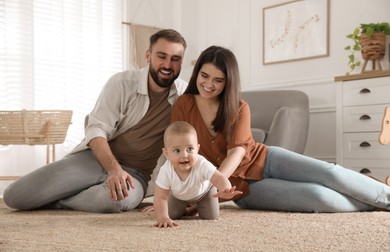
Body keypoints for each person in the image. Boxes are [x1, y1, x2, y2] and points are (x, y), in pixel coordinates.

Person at [170, 45, 390, 213]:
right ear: (196, 73)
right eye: (204, 76)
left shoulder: (239, 107)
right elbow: (179, 151)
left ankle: (386, 197)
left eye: (218, 80)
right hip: (244, 189)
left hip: (266, 158)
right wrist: (181, 196)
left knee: (328, 172)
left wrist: (211, 185)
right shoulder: (184, 105)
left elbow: (237, 152)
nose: (209, 84)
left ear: (228, 82)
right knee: (318, 197)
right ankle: (372, 204)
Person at [3, 29, 188, 213]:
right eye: (161, 56)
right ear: (148, 56)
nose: (167, 64)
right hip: (94, 159)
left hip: (136, 175)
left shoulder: (184, 96)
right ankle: (72, 191)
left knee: (115, 201)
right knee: (15, 197)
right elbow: (96, 129)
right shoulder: (122, 83)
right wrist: (114, 170)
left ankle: (61, 201)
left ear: (182, 62)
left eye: (175, 59)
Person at [154, 121, 241, 228]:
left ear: (197, 149)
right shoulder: (166, 170)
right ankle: (188, 209)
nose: (184, 155)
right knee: (171, 215)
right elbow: (160, 197)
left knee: (211, 216)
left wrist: (225, 189)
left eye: (190, 149)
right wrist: (163, 217)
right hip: (178, 196)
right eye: (177, 150)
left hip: (204, 193)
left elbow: (218, 178)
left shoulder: (201, 164)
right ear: (166, 154)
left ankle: (198, 206)